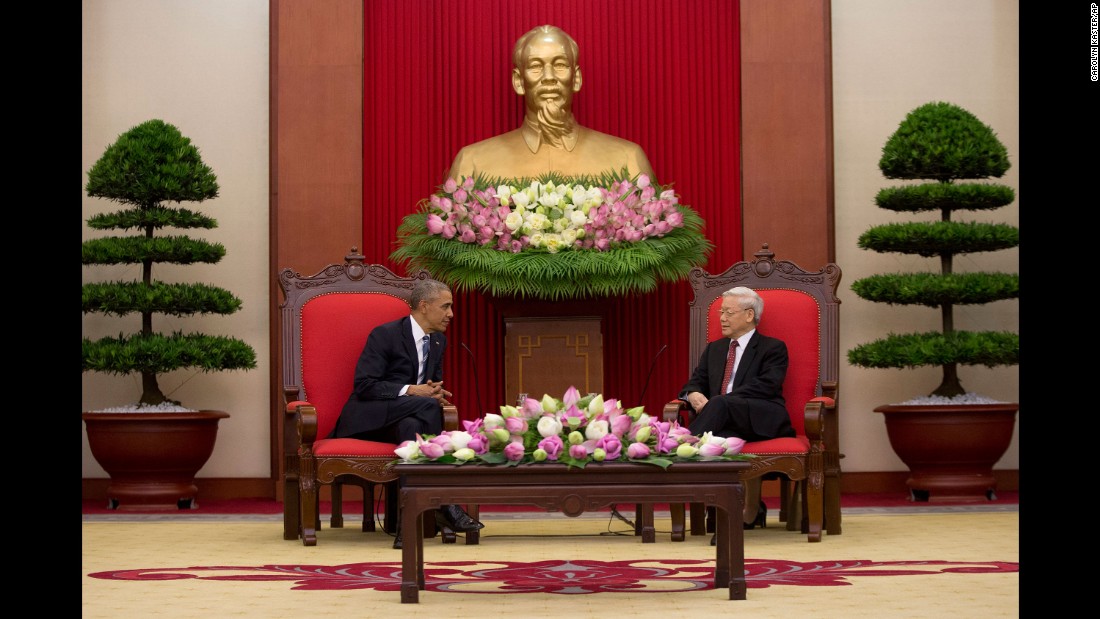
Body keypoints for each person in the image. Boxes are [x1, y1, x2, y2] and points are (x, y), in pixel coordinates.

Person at [330, 278, 483, 549]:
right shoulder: (385, 335)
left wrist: (433, 391)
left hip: (406, 418)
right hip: (368, 418)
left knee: (411, 428)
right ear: (424, 306)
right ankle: (445, 505)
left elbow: (430, 385)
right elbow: (365, 386)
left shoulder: (438, 342)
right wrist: (413, 390)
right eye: (445, 307)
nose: (451, 314)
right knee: (424, 407)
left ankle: (406, 528)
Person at [447, 24, 656, 181]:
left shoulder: (627, 160)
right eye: (536, 66)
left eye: (560, 65)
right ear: (519, 81)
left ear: (576, 78)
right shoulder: (472, 163)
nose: (548, 77)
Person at [677, 286, 795, 538]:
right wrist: (692, 394)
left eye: (728, 312)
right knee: (722, 437)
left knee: (719, 405)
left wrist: (721, 402)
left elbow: (767, 385)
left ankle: (677, 452)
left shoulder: (773, 347)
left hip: (762, 417)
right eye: (721, 312)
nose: (722, 318)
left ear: (749, 315)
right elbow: (695, 381)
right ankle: (731, 515)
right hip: (724, 420)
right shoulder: (715, 349)